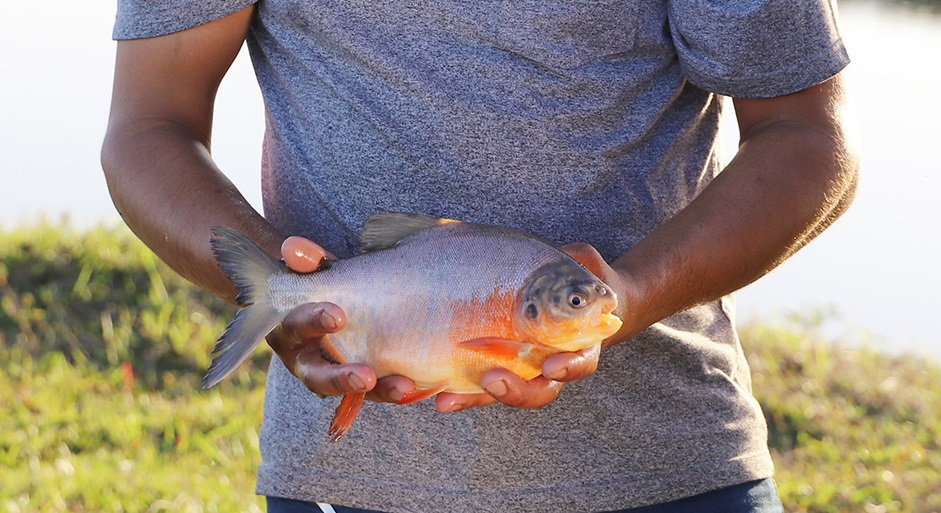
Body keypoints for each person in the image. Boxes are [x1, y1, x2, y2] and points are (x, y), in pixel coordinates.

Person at [101, 0, 858, 511]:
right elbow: (148, 129)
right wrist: (283, 288)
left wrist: (629, 293)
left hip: (675, 470)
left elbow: (805, 137)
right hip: (355, 479)